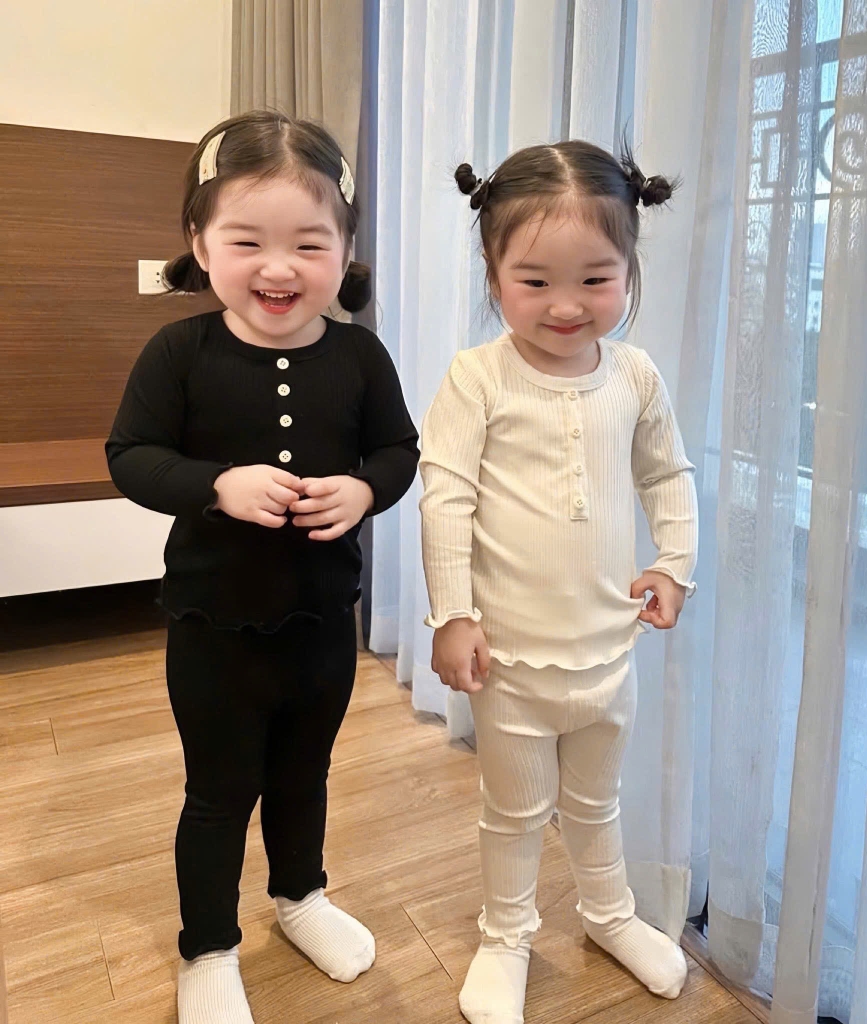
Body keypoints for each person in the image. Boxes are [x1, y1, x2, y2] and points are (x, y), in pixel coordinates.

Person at [107, 110, 418, 1024]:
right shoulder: (180, 352)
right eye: (247, 241)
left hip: (323, 622)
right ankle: (207, 946)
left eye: (309, 244)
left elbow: (398, 451)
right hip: (213, 627)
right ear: (200, 242)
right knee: (218, 793)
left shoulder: (361, 354)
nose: (279, 268)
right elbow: (132, 457)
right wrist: (216, 485)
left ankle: (300, 896)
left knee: (303, 774)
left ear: (346, 250)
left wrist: (364, 491)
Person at [419, 140, 699, 1024]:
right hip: (511, 660)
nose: (567, 306)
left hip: (610, 651)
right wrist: (452, 614)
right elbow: (446, 497)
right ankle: (506, 935)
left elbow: (668, 475)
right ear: (493, 273)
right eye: (535, 281)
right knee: (514, 810)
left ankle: (609, 915)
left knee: (596, 801)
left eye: (596, 279)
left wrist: (675, 563)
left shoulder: (636, 376)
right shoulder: (477, 377)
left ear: (629, 270)